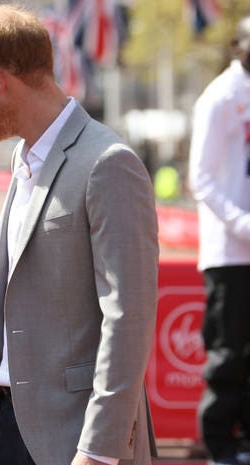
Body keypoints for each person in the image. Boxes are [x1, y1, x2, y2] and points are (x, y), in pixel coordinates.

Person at [0, 5, 159, 465]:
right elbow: (12, 257)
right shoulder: (26, 156)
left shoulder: (108, 162)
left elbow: (129, 319)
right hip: (18, 424)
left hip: (79, 437)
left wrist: (100, 449)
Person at [188, 16, 250, 465]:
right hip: (230, 253)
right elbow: (201, 178)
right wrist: (242, 224)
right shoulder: (220, 97)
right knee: (229, 356)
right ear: (239, 45)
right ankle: (222, 448)